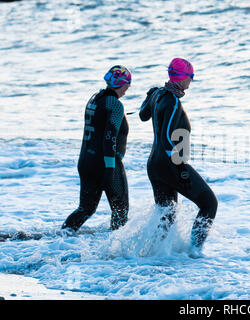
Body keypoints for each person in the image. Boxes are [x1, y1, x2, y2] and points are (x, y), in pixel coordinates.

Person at [139, 58, 218, 254]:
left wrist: (148, 96)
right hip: (169, 164)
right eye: (191, 77)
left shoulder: (157, 93)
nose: (191, 81)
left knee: (168, 214)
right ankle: (195, 251)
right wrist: (181, 168)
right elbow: (167, 137)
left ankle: (153, 254)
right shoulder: (173, 101)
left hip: (154, 165)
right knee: (209, 203)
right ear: (183, 78)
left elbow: (142, 115)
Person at [62, 65, 131, 232]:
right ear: (123, 83)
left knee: (85, 209)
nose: (128, 89)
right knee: (120, 209)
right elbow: (109, 138)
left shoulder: (95, 98)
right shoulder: (115, 105)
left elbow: (99, 125)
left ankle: (61, 238)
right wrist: (109, 168)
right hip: (106, 162)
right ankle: (118, 251)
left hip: (86, 161)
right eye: (128, 84)